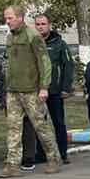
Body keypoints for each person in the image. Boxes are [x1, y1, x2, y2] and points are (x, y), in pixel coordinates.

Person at [0, 6, 61, 178]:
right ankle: (13, 164)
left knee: (41, 127)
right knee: (13, 128)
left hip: (32, 90)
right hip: (13, 90)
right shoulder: (10, 37)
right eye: (6, 18)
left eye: (10, 18)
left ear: (20, 18)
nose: (7, 21)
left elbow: (44, 62)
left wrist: (44, 87)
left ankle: (54, 159)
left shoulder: (33, 36)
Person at [31, 14, 74, 165]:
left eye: (43, 24)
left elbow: (68, 65)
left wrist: (66, 88)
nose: (40, 27)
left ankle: (62, 153)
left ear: (49, 25)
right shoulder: (31, 42)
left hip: (54, 91)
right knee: (39, 123)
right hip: (36, 91)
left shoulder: (59, 44)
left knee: (58, 122)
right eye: (38, 24)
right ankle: (41, 154)